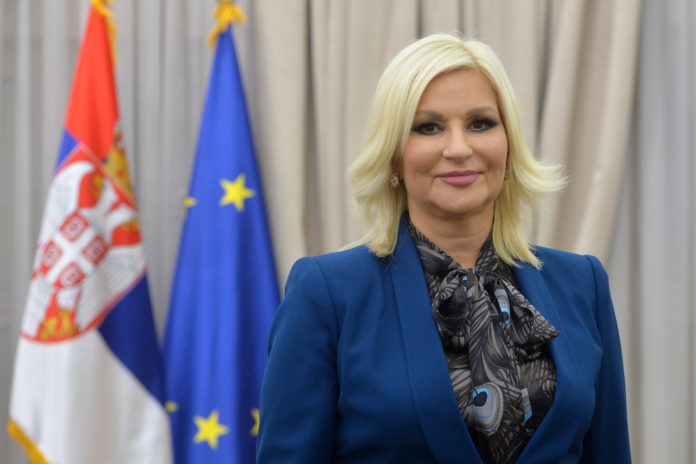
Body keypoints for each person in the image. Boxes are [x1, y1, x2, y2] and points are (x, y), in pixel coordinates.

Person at [257, 33, 631, 463]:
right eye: (428, 127)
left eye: (480, 123)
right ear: (394, 155)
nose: (458, 148)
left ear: (509, 144)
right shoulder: (325, 292)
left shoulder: (583, 283)